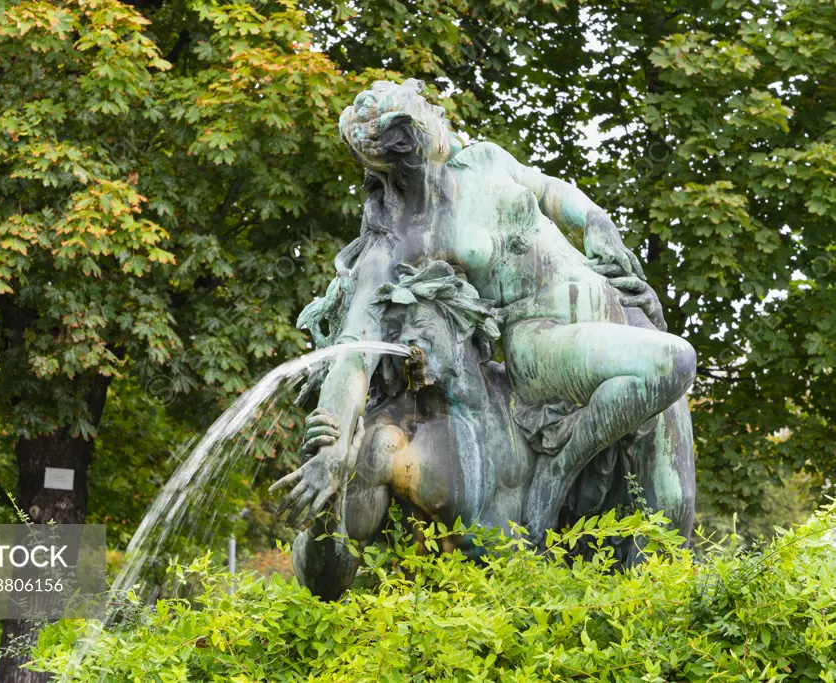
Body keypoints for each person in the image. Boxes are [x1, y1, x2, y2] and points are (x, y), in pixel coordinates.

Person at [272, 79, 695, 546]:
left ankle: (659, 597)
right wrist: (333, 446)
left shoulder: (485, 159)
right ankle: (558, 471)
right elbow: (355, 350)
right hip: (542, 335)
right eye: (429, 110)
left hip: (613, 310)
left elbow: (547, 188)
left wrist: (596, 224)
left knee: (672, 507)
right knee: (673, 363)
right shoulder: (405, 238)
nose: (442, 113)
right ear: (412, 141)